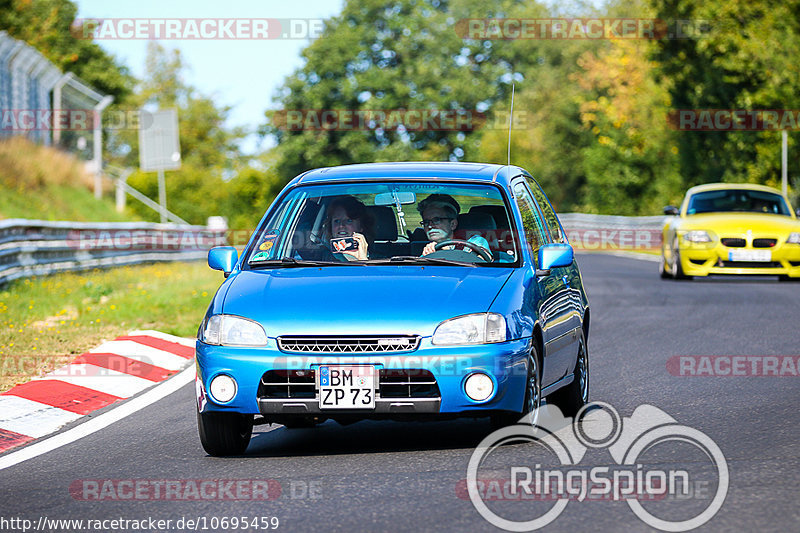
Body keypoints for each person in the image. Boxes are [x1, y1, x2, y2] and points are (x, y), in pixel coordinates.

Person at [417, 193, 491, 258]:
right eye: (426, 222)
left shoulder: (474, 241)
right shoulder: (427, 251)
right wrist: (428, 255)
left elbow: (484, 262)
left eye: (437, 220)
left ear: (453, 224)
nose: (430, 226)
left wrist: (447, 252)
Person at [326, 195, 374, 261]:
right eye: (337, 221)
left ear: (361, 226)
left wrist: (363, 259)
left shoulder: (382, 259)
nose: (341, 225)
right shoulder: (320, 259)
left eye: (349, 220)